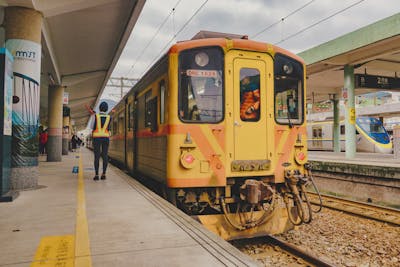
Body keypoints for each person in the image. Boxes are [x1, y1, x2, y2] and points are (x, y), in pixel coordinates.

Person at [91, 101, 111, 181]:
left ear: (99, 108)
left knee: (97, 156)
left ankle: (96, 175)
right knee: (105, 155)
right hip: (106, 137)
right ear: (106, 109)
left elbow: (92, 126)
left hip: (97, 138)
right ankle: (104, 174)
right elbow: (108, 128)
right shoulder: (109, 117)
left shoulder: (96, 116)